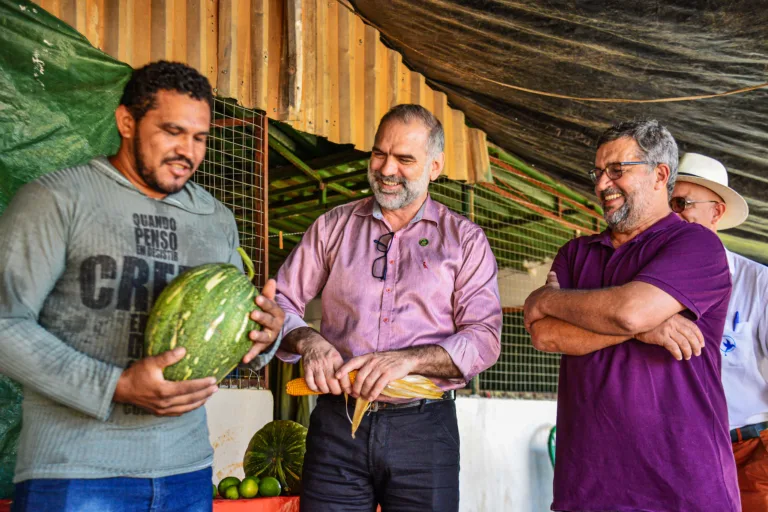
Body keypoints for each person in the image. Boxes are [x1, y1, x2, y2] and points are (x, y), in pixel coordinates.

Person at [0, 61, 285, 512]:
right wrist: (114, 385)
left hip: (187, 473)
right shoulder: (56, 199)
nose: (187, 152)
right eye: (172, 131)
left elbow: (233, 331)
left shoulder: (216, 220)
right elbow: (4, 324)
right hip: (75, 474)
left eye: (199, 137)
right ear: (126, 122)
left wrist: (265, 336)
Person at [274, 104, 501, 511]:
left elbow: (483, 337)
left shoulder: (465, 240)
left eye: (405, 159)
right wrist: (309, 341)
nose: (386, 168)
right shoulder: (332, 227)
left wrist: (407, 362)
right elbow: (279, 302)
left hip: (424, 430)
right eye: (380, 153)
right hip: (336, 424)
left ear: (435, 166)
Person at [525, 120, 739, 511]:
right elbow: (545, 336)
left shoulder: (696, 244)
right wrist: (643, 328)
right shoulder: (577, 253)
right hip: (588, 487)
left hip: (681, 487)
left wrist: (548, 300)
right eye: (599, 172)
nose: (602, 184)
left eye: (617, 171)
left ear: (660, 174)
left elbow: (630, 312)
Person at [671, 152, 768, 511]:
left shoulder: (757, 283)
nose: (671, 214)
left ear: (716, 213)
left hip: (749, 452)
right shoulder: (642, 284)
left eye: (681, 203)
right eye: (666, 204)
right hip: (676, 454)